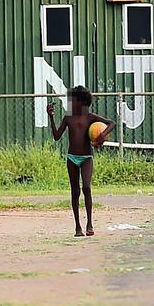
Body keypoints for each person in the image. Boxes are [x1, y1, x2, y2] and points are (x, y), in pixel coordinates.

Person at [48, 86, 115, 237]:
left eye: (72, 100)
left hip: (86, 158)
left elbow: (112, 123)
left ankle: (89, 223)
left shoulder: (90, 117)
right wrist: (51, 117)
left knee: (86, 187)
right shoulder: (68, 118)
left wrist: (101, 136)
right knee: (75, 191)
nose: (70, 103)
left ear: (81, 102)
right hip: (72, 157)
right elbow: (57, 136)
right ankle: (77, 226)